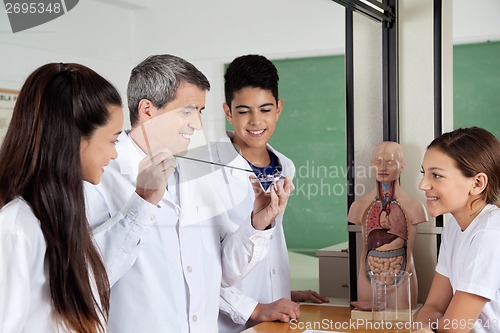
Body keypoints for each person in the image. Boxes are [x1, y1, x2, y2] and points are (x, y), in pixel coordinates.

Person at [84, 54, 294, 333]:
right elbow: (87, 280)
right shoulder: (97, 177)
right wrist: (143, 202)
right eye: (187, 111)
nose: (197, 124)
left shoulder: (193, 173)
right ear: (148, 110)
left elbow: (224, 274)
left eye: (200, 111)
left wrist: (257, 223)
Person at [0, 63, 123, 332]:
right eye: (113, 140)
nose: (115, 155)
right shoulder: (16, 229)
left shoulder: (61, 217)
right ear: (77, 138)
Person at [215, 54, 328, 333]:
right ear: (228, 111)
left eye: (265, 109)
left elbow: (266, 245)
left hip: (275, 316)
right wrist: (255, 307)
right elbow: (198, 267)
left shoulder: (284, 165)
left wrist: (278, 288)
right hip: (231, 322)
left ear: (278, 108)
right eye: (244, 111)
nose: (256, 121)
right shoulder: (208, 171)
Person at [414, 127, 500, 333]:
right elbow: (433, 306)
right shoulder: (454, 226)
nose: (422, 184)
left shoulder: (489, 233)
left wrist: (428, 328)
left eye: (436, 175)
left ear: (477, 183)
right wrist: (425, 327)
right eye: (424, 173)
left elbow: (454, 327)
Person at [347, 141, 427, 310]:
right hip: (368, 275)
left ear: (402, 166)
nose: (382, 167)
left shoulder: (415, 207)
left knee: (402, 322)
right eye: (377, 162)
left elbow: (408, 249)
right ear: (371, 165)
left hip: (403, 275)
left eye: (390, 162)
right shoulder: (359, 206)